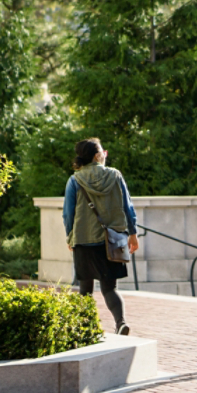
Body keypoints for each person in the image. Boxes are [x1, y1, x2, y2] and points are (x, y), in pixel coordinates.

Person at [63, 138, 139, 335]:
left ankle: (83, 328)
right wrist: (133, 233)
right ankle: (121, 323)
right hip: (111, 240)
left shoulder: (75, 180)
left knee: (85, 288)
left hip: (83, 240)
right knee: (109, 288)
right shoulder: (115, 176)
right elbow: (127, 207)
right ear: (97, 156)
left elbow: (68, 213)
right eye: (103, 152)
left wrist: (70, 236)